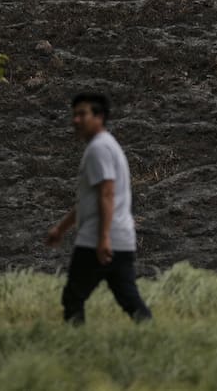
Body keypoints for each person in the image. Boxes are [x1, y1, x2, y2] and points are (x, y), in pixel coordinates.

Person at [45, 92, 152, 324]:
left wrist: (103, 238)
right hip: (120, 237)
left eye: (82, 114)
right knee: (129, 298)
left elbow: (107, 193)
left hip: (97, 240)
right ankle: (152, 334)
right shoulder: (107, 145)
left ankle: (77, 343)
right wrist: (61, 229)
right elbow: (91, 200)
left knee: (73, 297)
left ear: (99, 117)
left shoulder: (99, 148)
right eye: (74, 115)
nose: (76, 120)